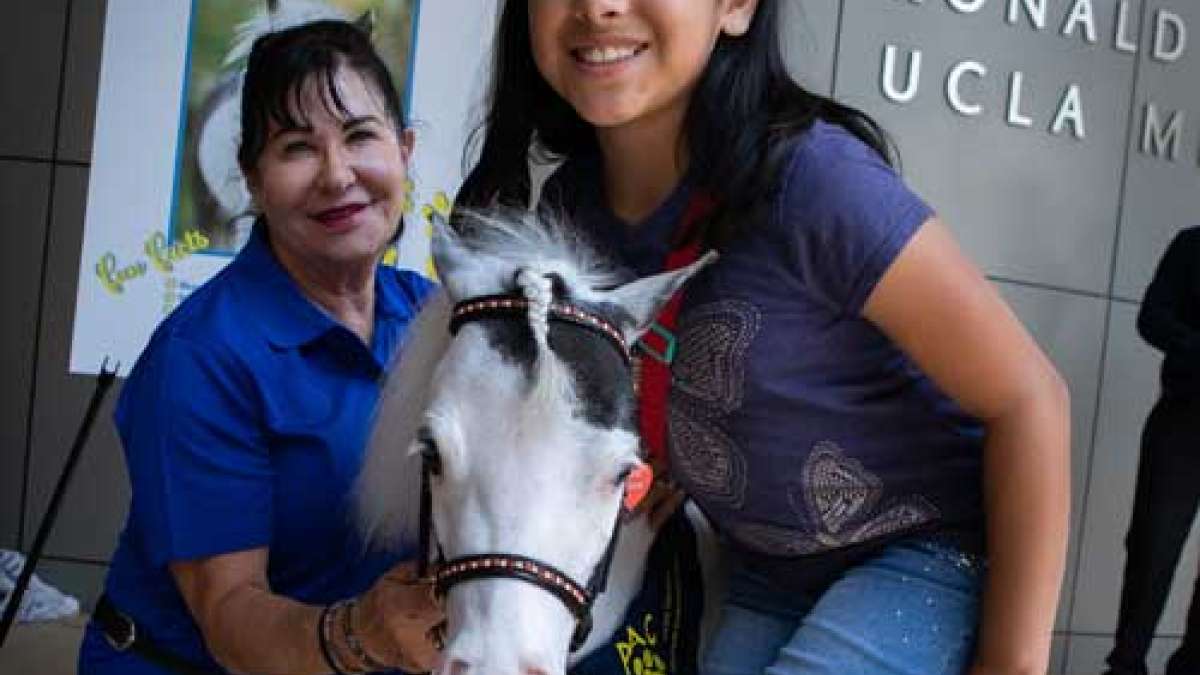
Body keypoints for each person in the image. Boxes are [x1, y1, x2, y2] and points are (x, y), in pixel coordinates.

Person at [456, 1, 1071, 673]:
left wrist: (1013, 660)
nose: (601, 5)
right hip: (768, 567)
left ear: (738, 6)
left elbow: (1030, 398)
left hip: (925, 546)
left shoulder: (817, 181)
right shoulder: (570, 213)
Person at [78, 20, 443, 674]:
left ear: (405, 150)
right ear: (252, 178)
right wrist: (362, 633)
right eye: (297, 148)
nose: (337, 176)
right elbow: (228, 614)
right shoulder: (201, 355)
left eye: (361, 135)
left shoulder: (429, 314)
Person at [1104, 227, 1200, 675]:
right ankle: (1127, 664)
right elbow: (1152, 317)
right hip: (1183, 420)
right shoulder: (1191, 244)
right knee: (1152, 546)